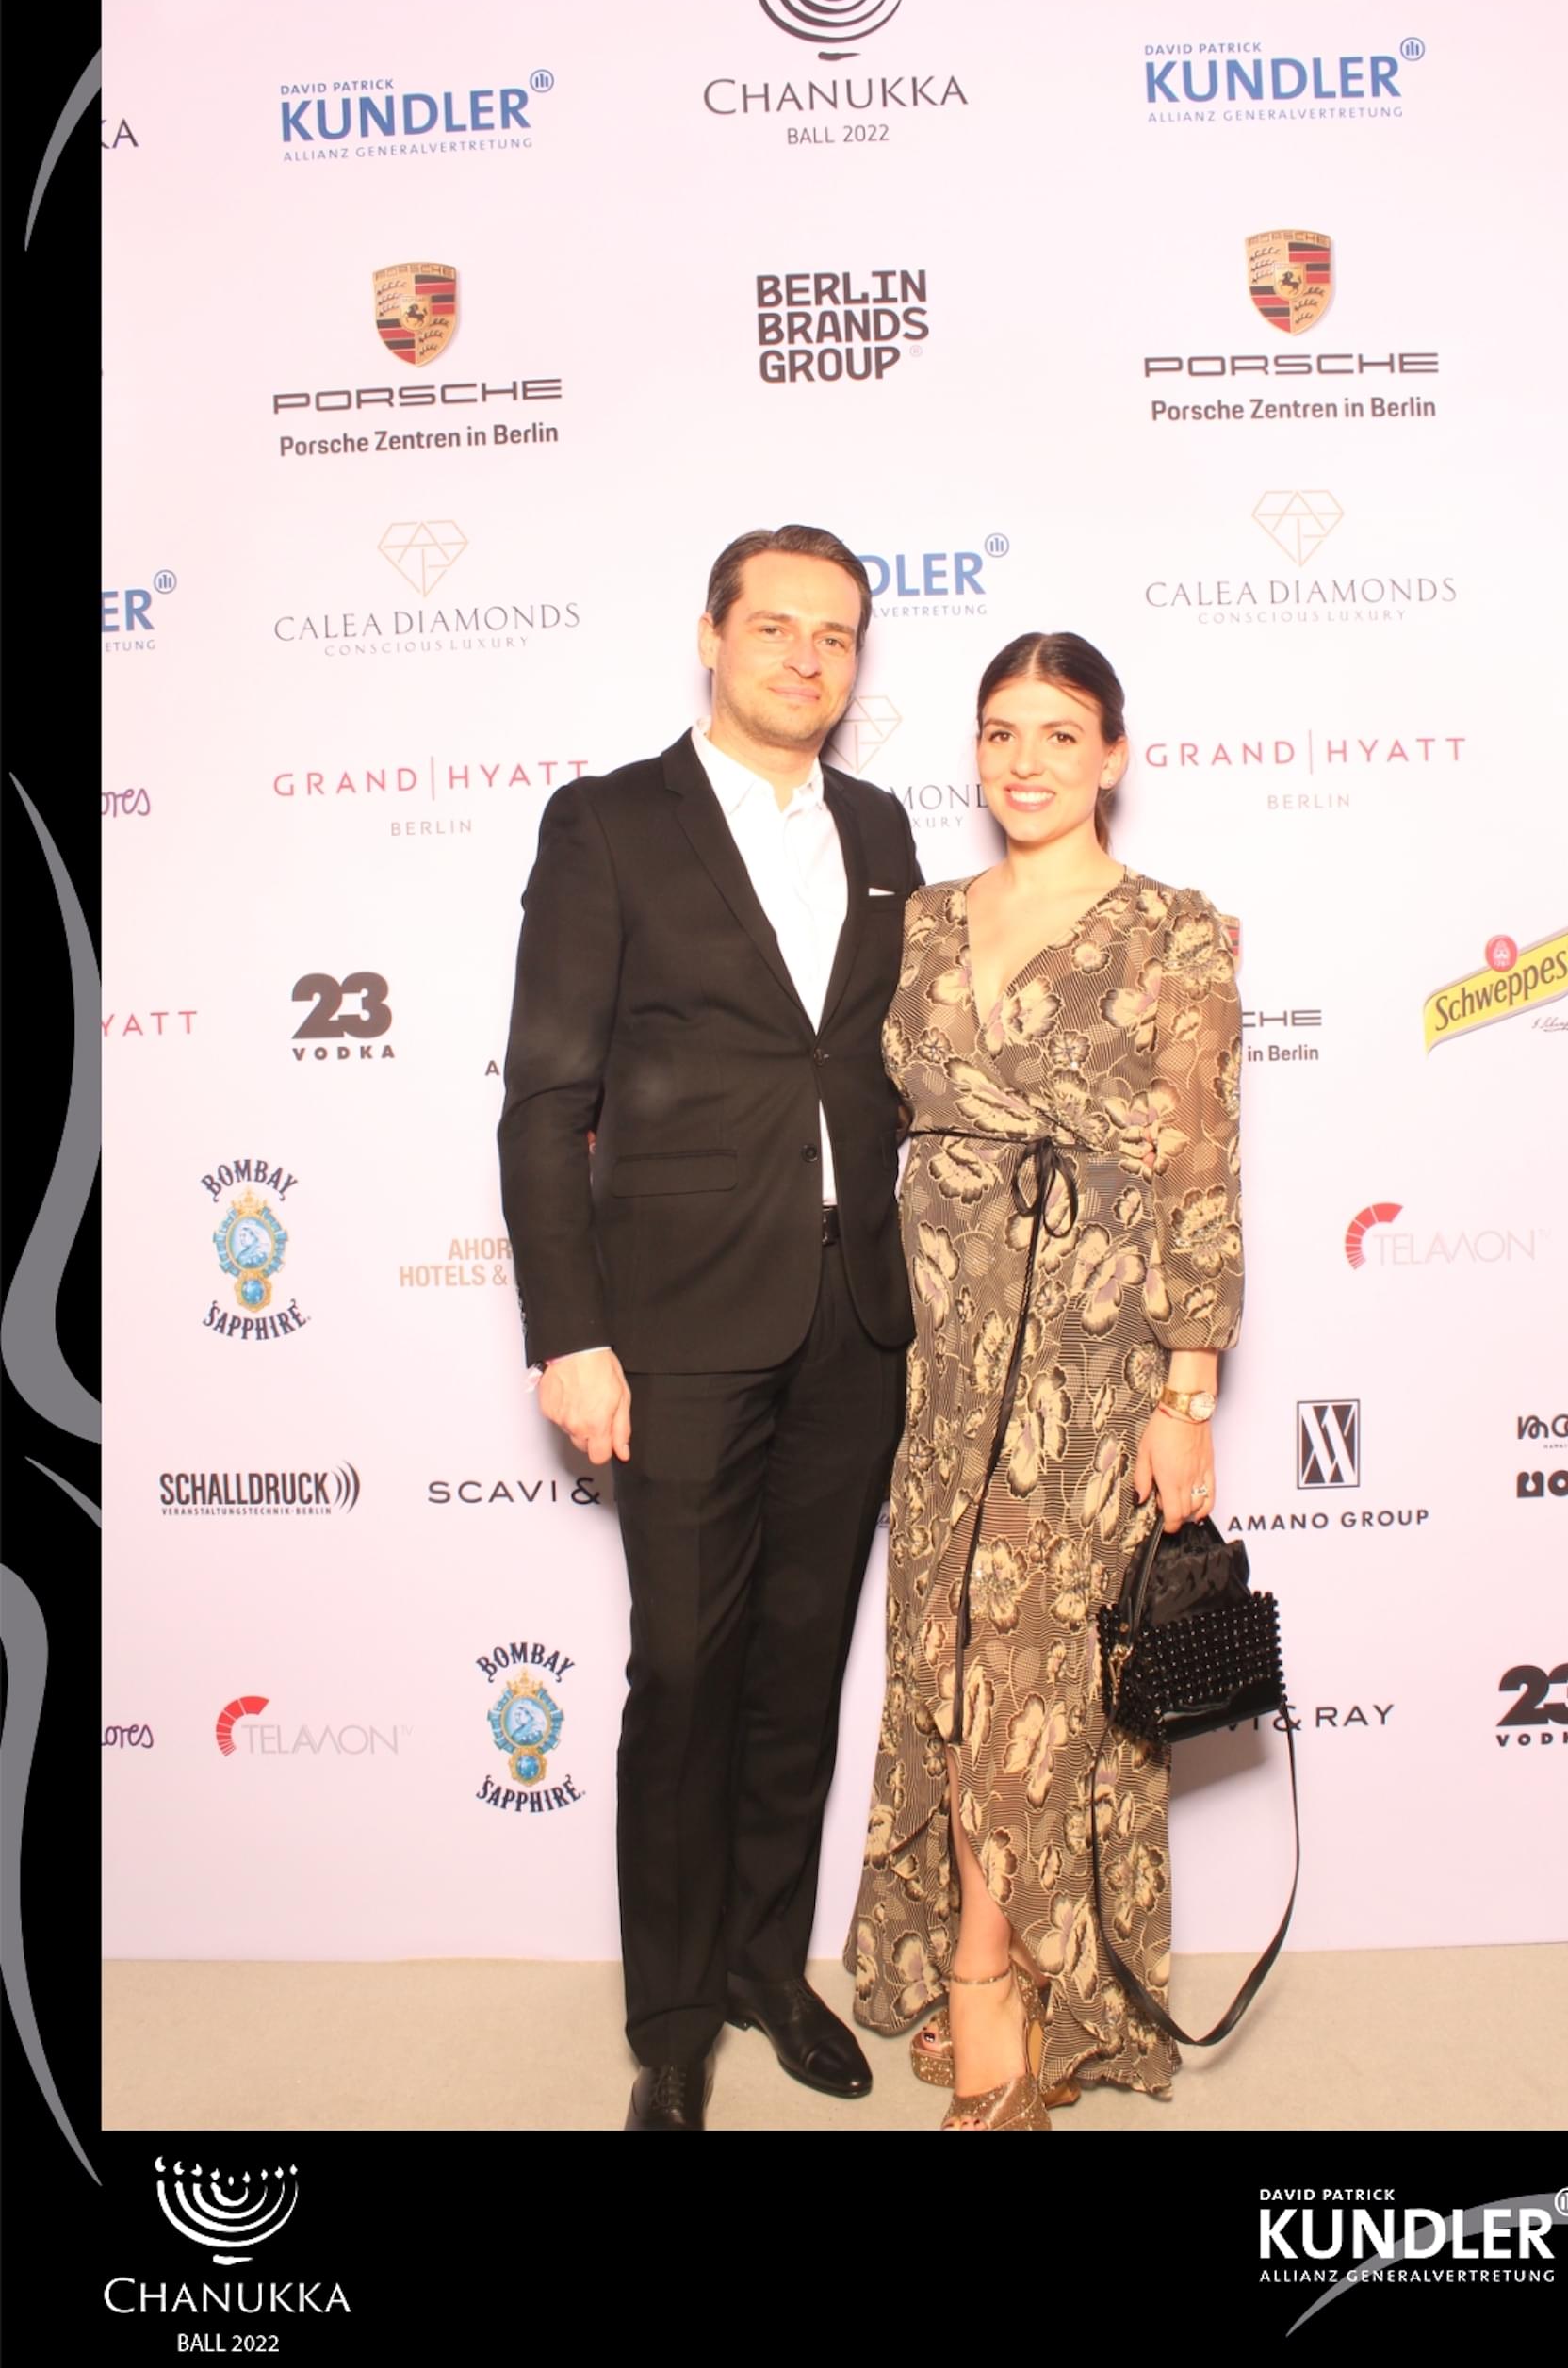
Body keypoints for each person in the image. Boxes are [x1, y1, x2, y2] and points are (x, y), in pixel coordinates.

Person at [498, 525, 923, 2131]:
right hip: (670, 1323)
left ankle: (765, 1966)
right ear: (712, 637)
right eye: (776, 628)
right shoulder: (608, 822)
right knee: (684, 1671)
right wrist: (570, 1333)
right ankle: (672, 2021)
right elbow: (546, 1101)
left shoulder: (881, 829)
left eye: (836, 635)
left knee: (800, 1666)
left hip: (855, 1314)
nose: (806, 658)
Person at [845, 631, 1244, 2129]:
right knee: (946, 1657)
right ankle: (1004, 1959)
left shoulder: (1174, 930)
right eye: (1001, 732)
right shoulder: (920, 923)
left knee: (1036, 1674)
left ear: (1111, 755)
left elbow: (1199, 1162)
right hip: (939, 1355)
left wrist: (1186, 1395)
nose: (1026, 762)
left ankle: (990, 1984)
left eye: (1060, 733)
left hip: (1095, 1353)